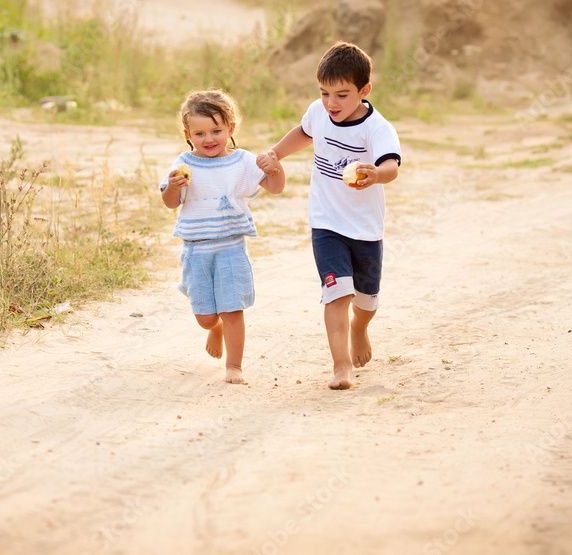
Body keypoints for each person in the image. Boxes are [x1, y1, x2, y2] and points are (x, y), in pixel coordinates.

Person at [257, 41, 401, 390]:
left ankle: (360, 328)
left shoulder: (377, 128)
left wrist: (376, 175)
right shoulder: (318, 113)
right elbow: (303, 133)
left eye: (341, 95)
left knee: (366, 301)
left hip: (365, 228)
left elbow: (392, 165)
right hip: (326, 223)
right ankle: (341, 367)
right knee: (336, 294)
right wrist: (275, 153)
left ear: (364, 90)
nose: (331, 104)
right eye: (324, 93)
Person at [161, 89, 285, 384]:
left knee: (232, 309)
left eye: (216, 130)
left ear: (230, 128)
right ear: (188, 134)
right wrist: (173, 187)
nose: (209, 139)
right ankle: (213, 329)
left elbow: (275, 187)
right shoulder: (183, 164)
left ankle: (234, 365)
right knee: (205, 316)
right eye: (200, 133)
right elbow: (169, 203)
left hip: (231, 247)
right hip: (197, 250)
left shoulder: (242, 161)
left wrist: (275, 170)